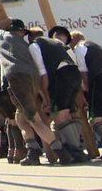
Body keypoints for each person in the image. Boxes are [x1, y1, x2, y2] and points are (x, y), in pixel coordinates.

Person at [0, 19, 72, 166]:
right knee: (20, 118)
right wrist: (44, 96)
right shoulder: (26, 46)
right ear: (21, 31)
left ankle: (61, 152)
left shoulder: (3, 36)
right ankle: (32, 152)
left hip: (17, 78)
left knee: (35, 120)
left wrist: (6, 19)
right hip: (33, 80)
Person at [60, 28, 102, 160]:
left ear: (73, 40)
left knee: (95, 118)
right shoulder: (96, 46)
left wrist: (87, 91)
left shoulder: (79, 48)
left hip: (99, 80)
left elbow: (83, 71)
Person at [28, 31, 87, 163]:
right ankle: (76, 147)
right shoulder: (58, 43)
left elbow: (43, 73)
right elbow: (74, 60)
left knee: (60, 116)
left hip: (60, 77)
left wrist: (47, 98)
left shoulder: (35, 46)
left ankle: (76, 152)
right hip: (74, 74)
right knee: (68, 113)